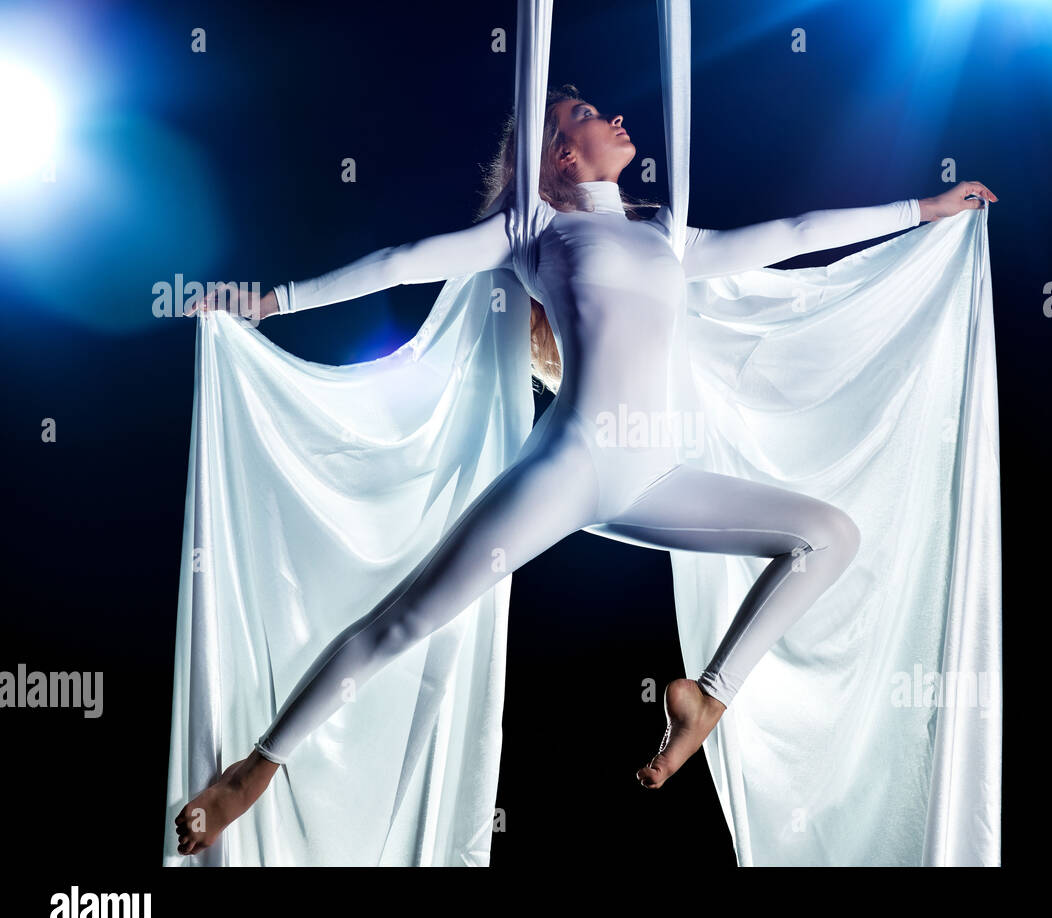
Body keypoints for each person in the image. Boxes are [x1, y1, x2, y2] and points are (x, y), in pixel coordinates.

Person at [174, 83, 997, 857]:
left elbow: (791, 236)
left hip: (652, 479)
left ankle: (706, 695)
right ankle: (259, 764)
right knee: (404, 621)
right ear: (563, 154)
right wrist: (267, 300)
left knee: (829, 535)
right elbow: (401, 261)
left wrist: (923, 209)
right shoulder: (532, 233)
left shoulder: (667, 237)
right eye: (590, 114)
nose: (616, 119)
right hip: (569, 468)